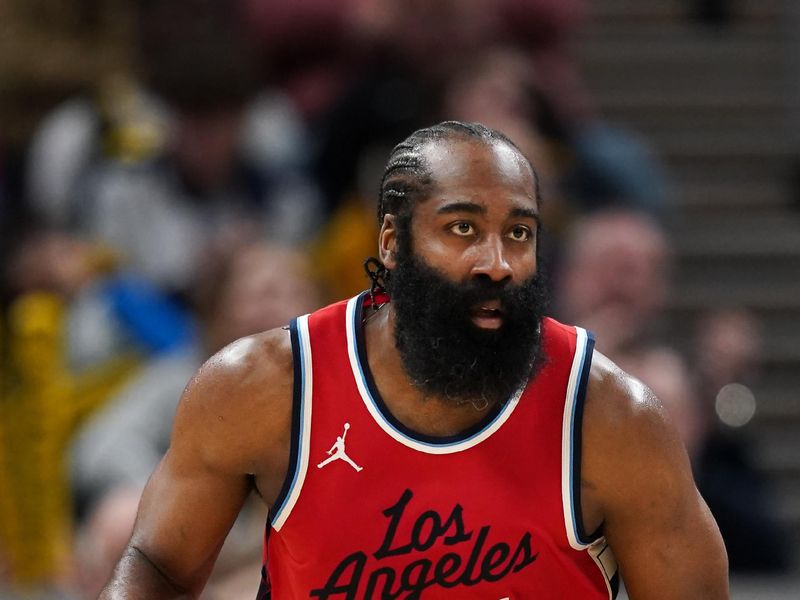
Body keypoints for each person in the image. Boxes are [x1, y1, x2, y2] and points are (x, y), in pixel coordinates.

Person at [100, 122, 728, 599]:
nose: (497, 262)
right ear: (393, 243)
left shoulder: (611, 416)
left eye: (520, 233)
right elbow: (156, 563)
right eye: (463, 228)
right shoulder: (267, 386)